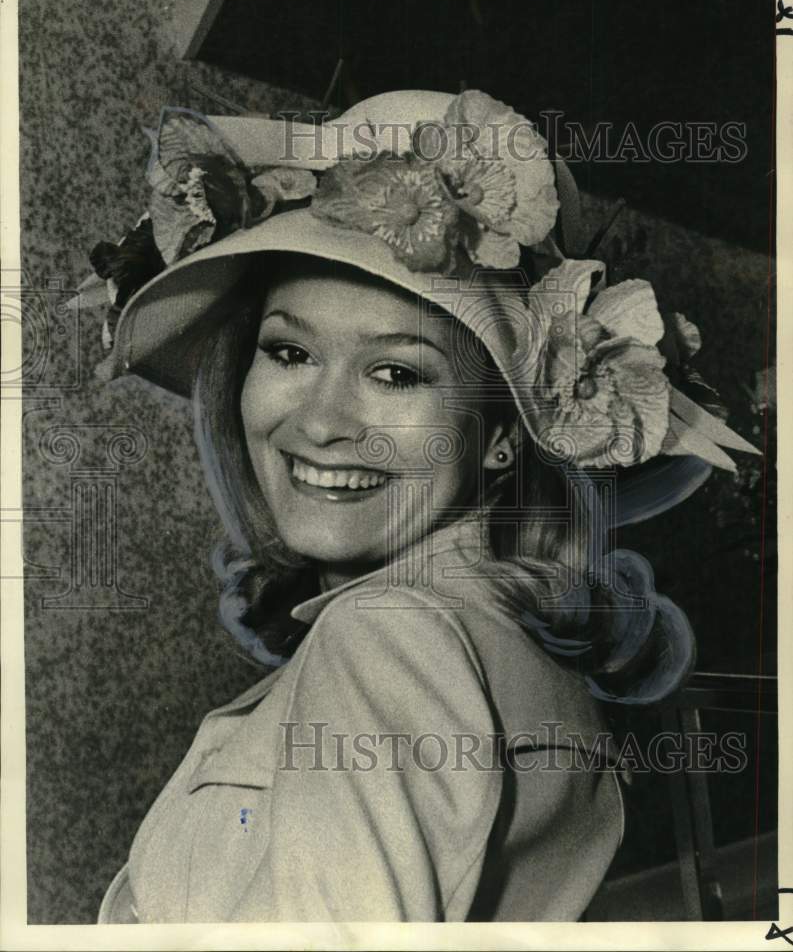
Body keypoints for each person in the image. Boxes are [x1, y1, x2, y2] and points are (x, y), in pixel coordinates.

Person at [75, 89, 759, 923]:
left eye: (396, 372)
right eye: (288, 351)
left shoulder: (390, 637)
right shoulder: (492, 633)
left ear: (504, 435)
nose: (320, 424)